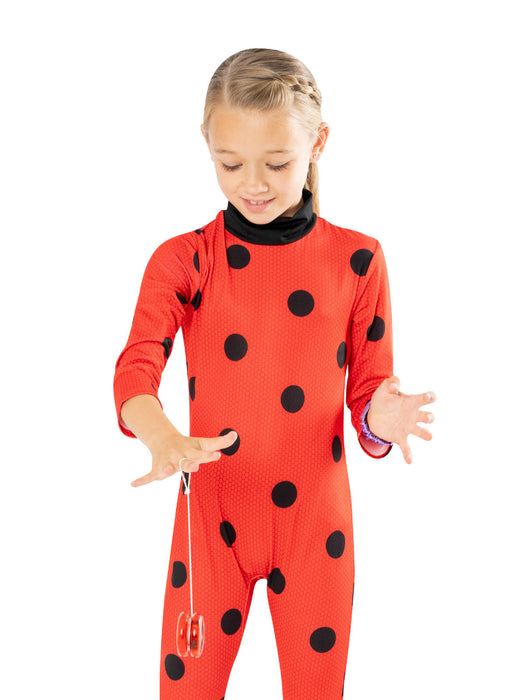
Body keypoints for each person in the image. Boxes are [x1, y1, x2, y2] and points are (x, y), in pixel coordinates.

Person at [113, 47, 436, 700]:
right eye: (230, 164)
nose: (252, 184)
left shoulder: (358, 261)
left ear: (317, 143)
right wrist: (161, 436)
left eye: (277, 162)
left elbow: (368, 395)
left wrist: (380, 417)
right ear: (207, 146)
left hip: (316, 527)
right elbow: (135, 368)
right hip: (211, 523)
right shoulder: (185, 260)